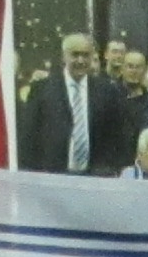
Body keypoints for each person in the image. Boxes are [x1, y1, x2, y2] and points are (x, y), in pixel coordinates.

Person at [15, 32, 134, 176]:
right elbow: (28, 137)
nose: (80, 60)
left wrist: (109, 168)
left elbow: (118, 135)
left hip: (95, 178)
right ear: (64, 56)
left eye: (85, 55)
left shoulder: (106, 91)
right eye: (75, 55)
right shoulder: (42, 89)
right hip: (52, 176)